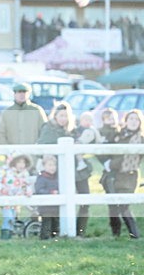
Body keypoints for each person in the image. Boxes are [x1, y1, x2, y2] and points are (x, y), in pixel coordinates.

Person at [37, 101, 90, 236]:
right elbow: (43, 147)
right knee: (58, 202)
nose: (63, 119)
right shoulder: (48, 128)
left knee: (85, 200)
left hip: (77, 169)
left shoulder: (73, 130)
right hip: (57, 170)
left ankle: (80, 231)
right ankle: (59, 231)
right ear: (55, 116)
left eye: (66, 116)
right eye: (61, 116)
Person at [103, 109, 143, 239]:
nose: (133, 122)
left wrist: (111, 164)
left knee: (124, 205)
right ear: (125, 121)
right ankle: (116, 235)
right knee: (113, 206)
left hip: (129, 175)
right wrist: (106, 163)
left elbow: (127, 157)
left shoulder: (141, 139)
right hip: (113, 174)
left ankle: (134, 234)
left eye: (136, 119)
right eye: (130, 119)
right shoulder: (118, 135)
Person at [0, 153, 34, 239]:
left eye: (23, 163)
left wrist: (28, 191)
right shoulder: (3, 171)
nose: (21, 165)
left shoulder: (24, 173)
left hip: (16, 199)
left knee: (13, 216)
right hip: (4, 198)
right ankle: (5, 238)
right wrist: (2, 189)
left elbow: (27, 184)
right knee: (9, 217)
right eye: (19, 162)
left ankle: (9, 235)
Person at [0, 82, 47, 146]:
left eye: (24, 92)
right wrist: (8, 151)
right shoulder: (7, 112)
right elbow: (1, 134)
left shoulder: (37, 110)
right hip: (13, 154)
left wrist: (37, 148)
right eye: (19, 92)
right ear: (14, 94)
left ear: (29, 94)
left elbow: (45, 132)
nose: (22, 94)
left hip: (33, 153)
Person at [97, 109, 122, 236]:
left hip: (119, 168)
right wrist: (106, 162)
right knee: (112, 203)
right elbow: (98, 151)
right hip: (108, 170)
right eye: (108, 118)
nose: (112, 121)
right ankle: (115, 230)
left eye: (113, 118)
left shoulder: (120, 132)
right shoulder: (101, 133)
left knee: (121, 202)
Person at [35, 154, 60, 240]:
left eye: (54, 165)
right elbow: (39, 190)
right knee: (47, 222)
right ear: (44, 166)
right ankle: (45, 238)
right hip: (45, 206)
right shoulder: (42, 177)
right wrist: (50, 192)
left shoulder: (57, 177)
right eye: (49, 165)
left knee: (56, 222)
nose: (52, 167)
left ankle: (55, 237)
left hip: (56, 206)